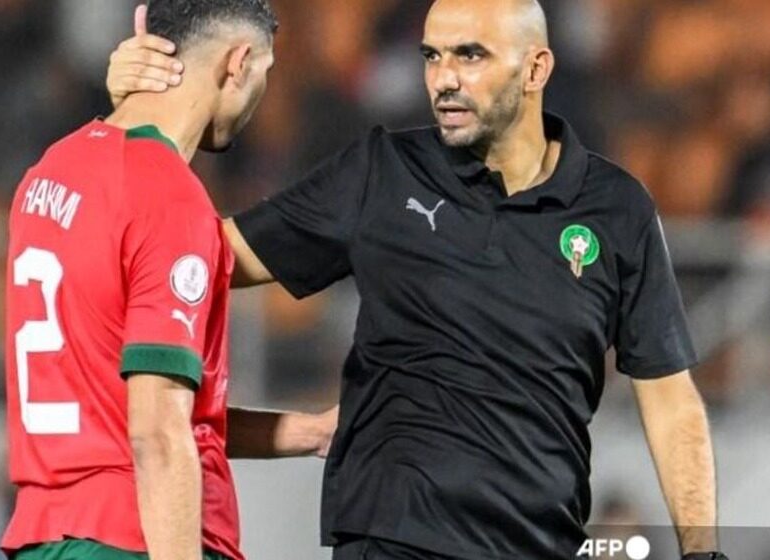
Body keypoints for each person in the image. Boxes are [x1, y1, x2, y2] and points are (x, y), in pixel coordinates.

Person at [108, 0, 728, 559]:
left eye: (470, 55)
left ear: (536, 69)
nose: (443, 79)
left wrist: (702, 553)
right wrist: (132, 117)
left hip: (542, 542)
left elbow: (671, 400)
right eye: (432, 56)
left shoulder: (617, 209)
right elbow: (190, 255)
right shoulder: (383, 172)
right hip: (391, 535)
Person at [2, 3, 336, 560]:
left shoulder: (48, 173)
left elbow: (121, 404)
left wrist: (311, 432)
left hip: (48, 536)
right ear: (239, 63)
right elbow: (157, 435)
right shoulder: (168, 198)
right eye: (265, 75)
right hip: (135, 537)